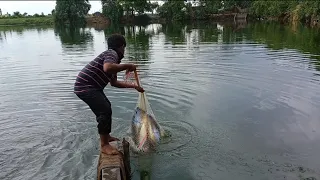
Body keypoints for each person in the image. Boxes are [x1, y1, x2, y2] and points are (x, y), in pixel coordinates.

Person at [74, 34, 144, 155]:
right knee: (104, 110)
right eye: (124, 48)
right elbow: (107, 68)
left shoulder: (113, 60)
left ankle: (107, 137)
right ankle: (104, 145)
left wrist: (134, 86)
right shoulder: (111, 54)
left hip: (92, 87)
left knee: (106, 107)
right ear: (122, 46)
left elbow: (114, 83)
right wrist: (128, 66)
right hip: (86, 87)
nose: (124, 51)